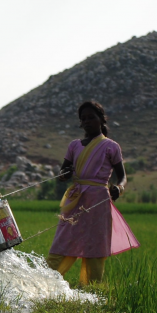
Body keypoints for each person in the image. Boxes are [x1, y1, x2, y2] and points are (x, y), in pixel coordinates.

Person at [46, 100, 139, 285]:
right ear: (80, 123)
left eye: (91, 117)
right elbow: (64, 171)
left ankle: (90, 291)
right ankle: (45, 284)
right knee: (62, 241)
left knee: (95, 246)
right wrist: (63, 175)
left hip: (98, 201)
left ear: (101, 120)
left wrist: (119, 188)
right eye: (83, 119)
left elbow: (122, 176)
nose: (87, 121)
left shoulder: (111, 146)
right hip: (75, 198)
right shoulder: (74, 146)